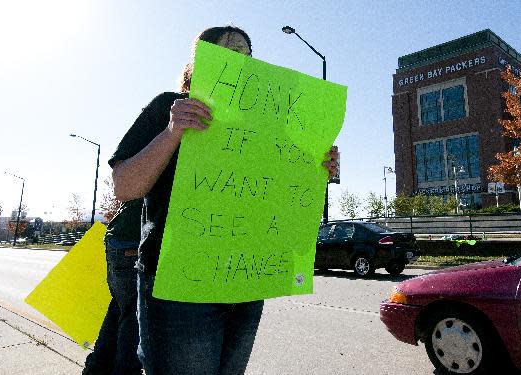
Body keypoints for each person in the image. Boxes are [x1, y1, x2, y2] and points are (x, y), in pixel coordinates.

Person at [110, 26, 339, 374]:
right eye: (227, 53)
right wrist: (173, 133)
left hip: (245, 285)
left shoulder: (268, 132)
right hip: (179, 288)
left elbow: (282, 209)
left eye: (247, 56)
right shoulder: (168, 108)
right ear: (199, 62)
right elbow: (125, 186)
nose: (239, 63)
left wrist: (315, 170)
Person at [83, 199, 143, 375]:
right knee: (135, 315)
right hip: (134, 241)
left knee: (120, 308)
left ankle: (96, 368)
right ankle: (125, 370)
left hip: (119, 239)